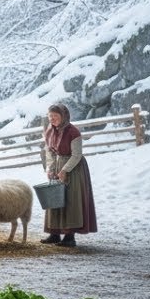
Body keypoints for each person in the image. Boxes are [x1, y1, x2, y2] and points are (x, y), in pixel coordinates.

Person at [41, 103, 98, 247]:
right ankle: (54, 234)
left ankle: (69, 236)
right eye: (50, 116)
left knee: (70, 200)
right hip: (58, 164)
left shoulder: (73, 132)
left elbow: (76, 155)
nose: (52, 119)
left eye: (55, 116)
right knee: (54, 198)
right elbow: (49, 151)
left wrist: (65, 170)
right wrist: (51, 168)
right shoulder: (50, 131)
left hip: (74, 168)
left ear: (64, 116)